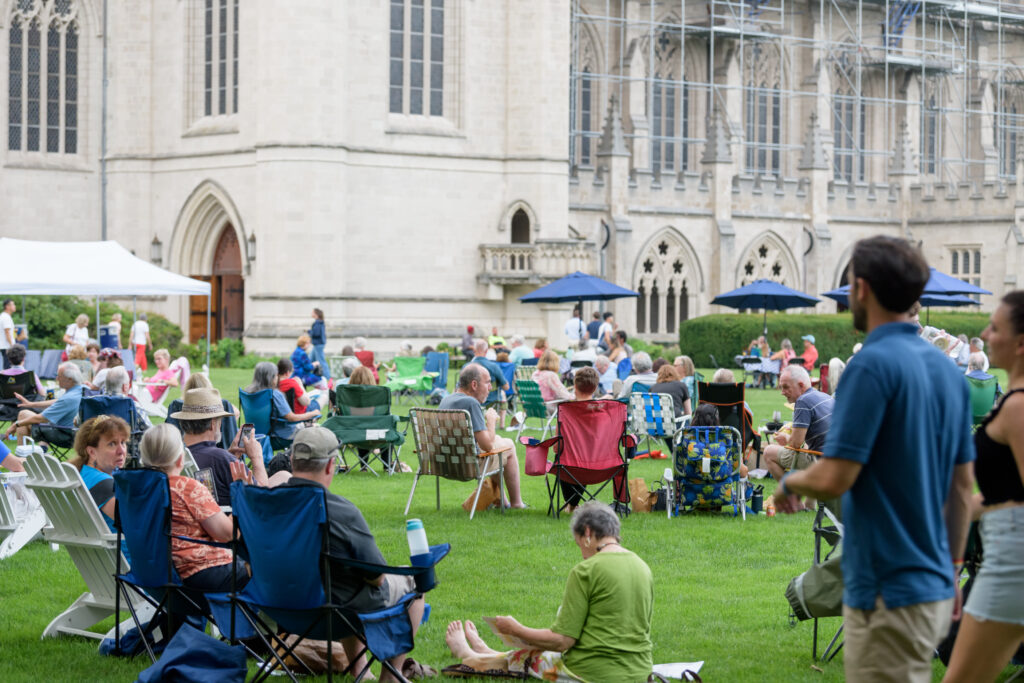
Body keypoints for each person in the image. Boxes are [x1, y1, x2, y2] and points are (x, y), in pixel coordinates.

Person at [772, 236, 974, 683]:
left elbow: (839, 473)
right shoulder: (949, 372)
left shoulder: (871, 364)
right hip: (933, 579)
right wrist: (954, 573)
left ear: (861, 289)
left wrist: (791, 484)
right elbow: (962, 489)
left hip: (884, 580)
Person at [278, 426, 430, 681]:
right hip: (333, 613)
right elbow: (378, 577)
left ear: (292, 461)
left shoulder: (265, 504)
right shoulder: (339, 511)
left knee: (343, 578)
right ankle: (390, 678)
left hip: (278, 606)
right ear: (331, 465)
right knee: (415, 581)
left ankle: (361, 672)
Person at [443, 501, 652, 683]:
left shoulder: (586, 571)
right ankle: (487, 651)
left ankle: (468, 654)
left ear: (587, 533)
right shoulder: (643, 567)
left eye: (578, 543)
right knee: (540, 651)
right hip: (640, 671)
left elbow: (562, 641)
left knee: (537, 658)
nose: (582, 553)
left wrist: (516, 629)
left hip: (593, 673)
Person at [944, 291, 1024, 683]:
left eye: (995, 327)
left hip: (1014, 563)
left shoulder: (1018, 407)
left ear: (1020, 342)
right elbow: (1005, 490)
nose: (985, 334)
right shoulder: (1012, 399)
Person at [139, 423, 249, 596]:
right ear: (180, 458)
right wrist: (242, 495)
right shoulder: (186, 487)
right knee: (267, 568)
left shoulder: (138, 490)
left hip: (155, 574)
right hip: (198, 574)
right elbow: (228, 534)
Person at [439, 364, 526, 509]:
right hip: (468, 466)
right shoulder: (471, 403)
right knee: (509, 446)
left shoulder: (446, 400)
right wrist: (491, 420)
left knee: (499, 441)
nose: (490, 387)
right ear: (474, 384)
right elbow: (488, 446)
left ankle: (503, 501)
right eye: (487, 382)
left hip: (444, 464)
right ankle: (516, 503)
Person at [173, 387, 268, 507]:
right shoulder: (220, 458)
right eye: (220, 421)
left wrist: (231, 456)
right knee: (283, 476)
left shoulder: (176, 455)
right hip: (232, 519)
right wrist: (257, 457)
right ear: (213, 424)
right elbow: (263, 496)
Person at [762, 365, 833, 508]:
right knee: (808, 448)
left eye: (786, 387)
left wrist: (785, 439)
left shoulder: (803, 401)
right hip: (835, 459)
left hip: (820, 460)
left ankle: (794, 501)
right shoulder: (824, 396)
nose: (782, 392)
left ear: (801, 385)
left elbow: (795, 444)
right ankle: (809, 505)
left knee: (769, 452)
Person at [68, 415, 130, 539]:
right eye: (112, 444)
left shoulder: (85, 473)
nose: (121, 451)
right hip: (126, 555)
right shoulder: (102, 483)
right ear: (92, 452)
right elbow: (133, 523)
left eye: (123, 443)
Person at [5, 362, 84, 445]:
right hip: (76, 433)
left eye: (59, 376)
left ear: (70, 379)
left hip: (63, 435)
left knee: (23, 414)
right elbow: (58, 401)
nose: (57, 378)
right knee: (26, 415)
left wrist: (15, 425)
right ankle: (41, 449)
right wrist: (31, 404)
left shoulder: (68, 398)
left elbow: (41, 418)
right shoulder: (81, 390)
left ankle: (21, 454)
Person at [245, 362, 321, 446]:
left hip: (253, 434)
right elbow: (291, 418)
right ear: (272, 377)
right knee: (317, 429)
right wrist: (312, 413)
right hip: (278, 436)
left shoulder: (248, 392)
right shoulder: (275, 394)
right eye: (276, 375)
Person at [471, 339, 510, 426]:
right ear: (486, 351)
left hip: (471, 399)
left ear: (474, 350)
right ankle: (502, 424)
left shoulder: (467, 367)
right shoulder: (493, 366)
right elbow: (506, 387)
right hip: (490, 399)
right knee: (503, 394)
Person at [308, 308, 331, 381]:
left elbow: (316, 333)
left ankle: (327, 377)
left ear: (316, 314)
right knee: (310, 359)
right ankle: (310, 375)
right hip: (317, 344)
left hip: (318, 344)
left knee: (321, 361)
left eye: (312, 312)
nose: (311, 313)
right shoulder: (319, 322)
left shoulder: (318, 322)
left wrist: (310, 332)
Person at [0, 299, 15, 369]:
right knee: (8, 367)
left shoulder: (4, 316)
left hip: (6, 346)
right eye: (13, 304)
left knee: (7, 366)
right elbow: (7, 333)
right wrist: (12, 346)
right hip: (7, 346)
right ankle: (5, 380)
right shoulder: (6, 317)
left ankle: (6, 379)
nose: (14, 306)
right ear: (7, 306)